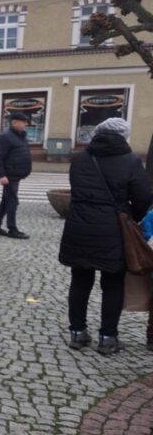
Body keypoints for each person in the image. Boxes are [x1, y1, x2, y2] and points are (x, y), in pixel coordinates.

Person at [58, 118, 151, 355]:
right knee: (112, 284)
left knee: (79, 281)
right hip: (113, 228)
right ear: (124, 136)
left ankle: (77, 333)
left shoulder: (79, 158)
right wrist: (129, 216)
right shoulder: (131, 161)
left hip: (79, 226)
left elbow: (75, 189)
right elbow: (142, 197)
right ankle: (108, 337)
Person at [0, 110, 33, 239]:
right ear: (14, 122)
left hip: (17, 173)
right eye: (23, 122)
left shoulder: (21, 136)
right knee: (12, 201)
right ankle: (12, 229)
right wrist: (1, 175)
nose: (26, 124)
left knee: (6, 200)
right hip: (9, 175)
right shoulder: (5, 136)